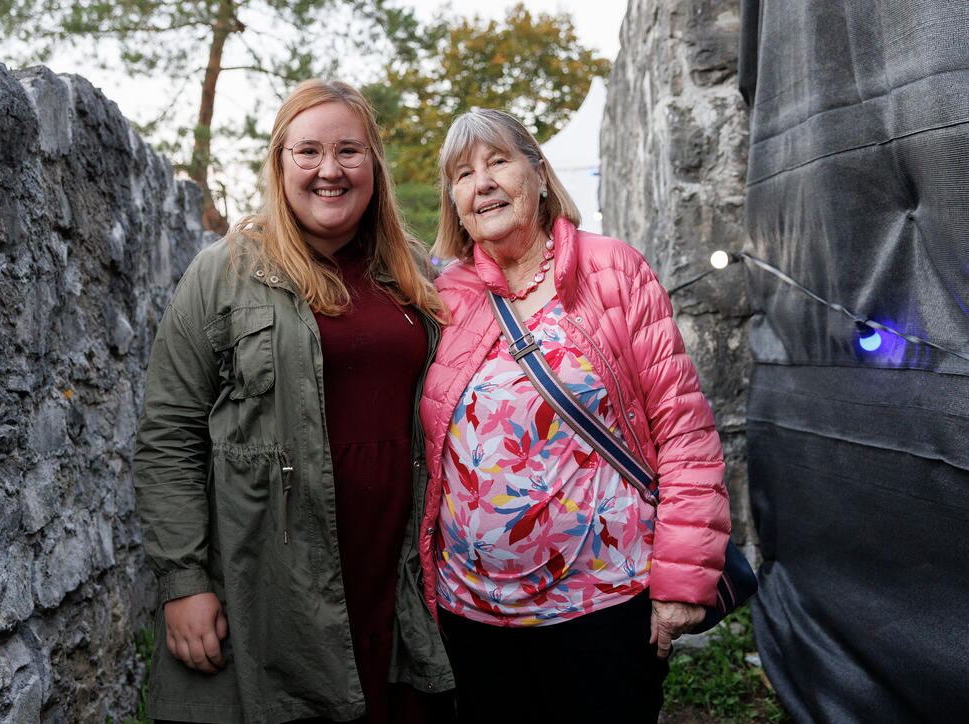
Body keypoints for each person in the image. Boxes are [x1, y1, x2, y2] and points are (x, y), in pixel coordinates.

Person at [132, 79, 453, 724]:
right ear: (279, 163)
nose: (329, 170)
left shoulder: (417, 274)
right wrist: (183, 582)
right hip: (268, 581)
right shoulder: (223, 273)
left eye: (349, 151)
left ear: (374, 165)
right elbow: (168, 434)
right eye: (308, 152)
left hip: (395, 576)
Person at [417, 109, 731, 722]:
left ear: (539, 174)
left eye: (498, 161)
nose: (482, 183)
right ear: (454, 202)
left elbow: (683, 430)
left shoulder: (613, 270)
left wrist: (680, 584)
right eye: (463, 174)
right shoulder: (441, 296)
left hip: (602, 606)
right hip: (473, 616)